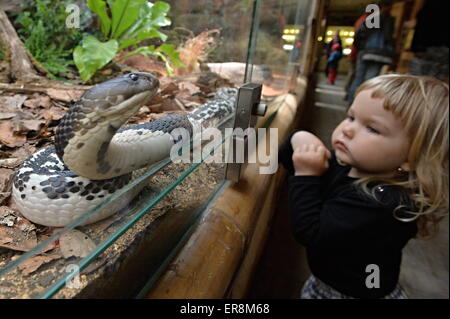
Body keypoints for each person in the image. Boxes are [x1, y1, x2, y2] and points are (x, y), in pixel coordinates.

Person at [278, 74, 448, 299]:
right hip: (333, 281)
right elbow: (288, 160)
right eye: (351, 117)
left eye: (373, 129)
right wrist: (298, 138)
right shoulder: (353, 166)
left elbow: (311, 232)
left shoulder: (382, 201)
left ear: (412, 157)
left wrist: (307, 174)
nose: (348, 129)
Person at [347, 2, 395, 104]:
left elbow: (358, 36)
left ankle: (351, 104)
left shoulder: (370, 19)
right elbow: (388, 37)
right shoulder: (388, 19)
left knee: (358, 78)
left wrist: (361, 49)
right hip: (378, 54)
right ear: (387, 7)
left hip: (364, 52)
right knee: (370, 81)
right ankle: (362, 105)